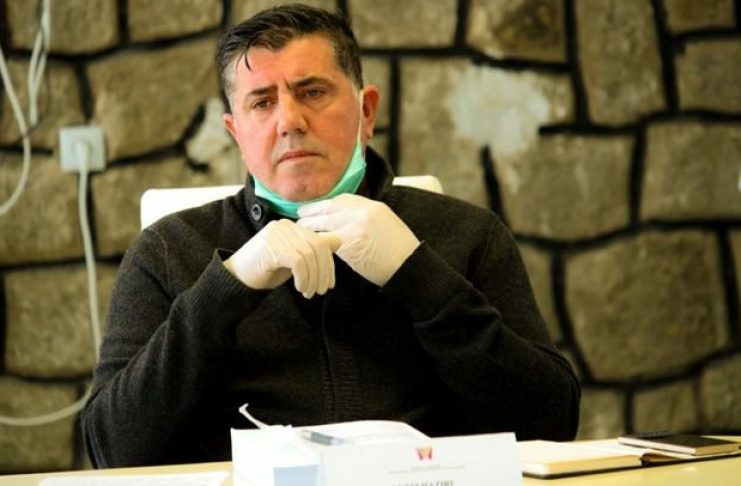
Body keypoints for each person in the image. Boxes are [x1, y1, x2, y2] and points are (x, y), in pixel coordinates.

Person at [82, 3, 580, 468]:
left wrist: (419, 275)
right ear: (236, 134)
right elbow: (112, 450)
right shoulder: (168, 250)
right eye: (262, 102)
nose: (289, 121)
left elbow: (551, 423)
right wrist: (226, 287)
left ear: (367, 112)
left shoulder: (469, 235)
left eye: (312, 92)